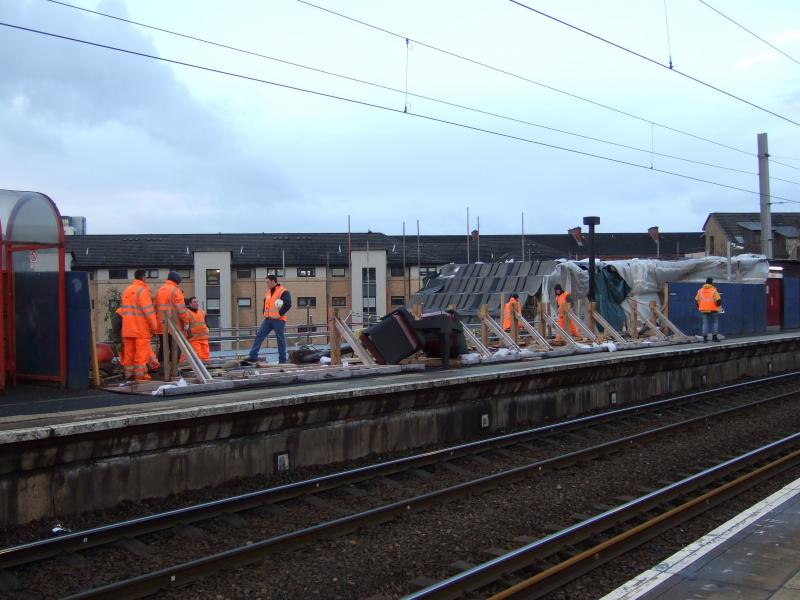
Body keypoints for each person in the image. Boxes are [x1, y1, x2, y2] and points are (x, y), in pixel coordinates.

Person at [244, 274, 292, 365]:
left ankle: (282, 360)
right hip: (268, 319)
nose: (267, 284)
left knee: (280, 339)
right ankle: (253, 356)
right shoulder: (268, 292)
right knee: (259, 336)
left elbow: (288, 304)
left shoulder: (283, 291)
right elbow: (266, 302)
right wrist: (264, 312)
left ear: (273, 281)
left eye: (268, 282)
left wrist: (279, 314)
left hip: (278, 320)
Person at [120, 269, 158, 381]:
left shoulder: (127, 290)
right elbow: (149, 312)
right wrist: (154, 327)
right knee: (141, 355)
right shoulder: (142, 291)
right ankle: (141, 376)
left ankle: (128, 375)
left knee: (129, 354)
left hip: (128, 328)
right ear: (143, 277)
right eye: (146, 277)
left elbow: (124, 310)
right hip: (141, 329)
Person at [154, 271, 192, 365]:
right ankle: (174, 369)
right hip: (173, 325)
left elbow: (154, 307)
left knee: (163, 347)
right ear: (177, 280)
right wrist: (186, 322)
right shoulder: (176, 291)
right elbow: (181, 310)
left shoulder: (160, 290)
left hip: (161, 325)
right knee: (175, 348)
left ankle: (162, 369)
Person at [181, 296, 210, 363]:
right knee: (197, 357)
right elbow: (185, 326)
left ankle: (205, 371)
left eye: (197, 302)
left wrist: (208, 327)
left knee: (206, 357)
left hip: (204, 339)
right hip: (194, 340)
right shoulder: (186, 313)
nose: (197, 303)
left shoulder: (201, 312)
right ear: (190, 304)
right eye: (194, 302)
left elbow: (205, 322)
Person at [695, 277, 722, 342]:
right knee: (714, 322)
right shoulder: (714, 290)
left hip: (704, 310)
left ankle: (704, 339)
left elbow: (696, 300)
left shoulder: (700, 290)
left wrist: (699, 306)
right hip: (713, 310)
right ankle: (714, 337)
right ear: (712, 283)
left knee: (705, 323)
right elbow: (718, 300)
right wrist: (718, 306)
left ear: (706, 282)